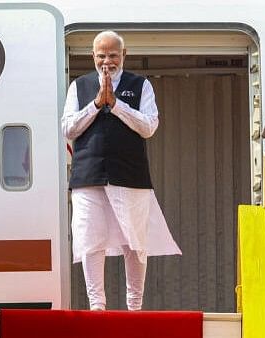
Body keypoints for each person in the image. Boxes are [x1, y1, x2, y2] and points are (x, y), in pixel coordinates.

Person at [62, 30, 181, 311]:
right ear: (92, 56)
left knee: (135, 241)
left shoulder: (140, 85)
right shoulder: (80, 86)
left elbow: (149, 126)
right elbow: (68, 128)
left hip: (130, 175)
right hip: (88, 175)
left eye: (113, 55)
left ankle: (135, 306)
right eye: (101, 55)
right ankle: (97, 306)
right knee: (91, 239)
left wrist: (116, 105)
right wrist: (96, 104)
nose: (107, 61)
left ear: (124, 55)